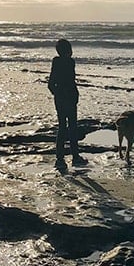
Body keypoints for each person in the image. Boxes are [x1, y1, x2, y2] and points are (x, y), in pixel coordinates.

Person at [48, 38, 87, 169]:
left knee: (63, 128)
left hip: (62, 98)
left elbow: (51, 83)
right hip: (68, 98)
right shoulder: (69, 62)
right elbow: (70, 81)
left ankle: (61, 158)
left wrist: (57, 94)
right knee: (71, 128)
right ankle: (74, 157)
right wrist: (64, 94)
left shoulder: (57, 62)